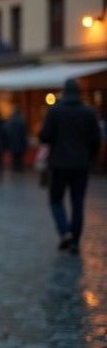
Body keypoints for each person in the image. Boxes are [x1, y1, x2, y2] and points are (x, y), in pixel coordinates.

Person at [38, 78, 102, 254]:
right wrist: (90, 158)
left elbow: (44, 136)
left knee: (56, 200)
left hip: (58, 164)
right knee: (77, 202)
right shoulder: (88, 113)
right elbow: (96, 140)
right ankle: (75, 241)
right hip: (81, 165)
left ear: (64, 92)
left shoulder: (55, 111)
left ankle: (64, 231)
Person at [6, 105, 28, 172]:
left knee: (14, 157)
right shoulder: (22, 120)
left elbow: (7, 131)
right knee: (19, 157)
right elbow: (25, 132)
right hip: (20, 142)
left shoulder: (11, 120)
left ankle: (14, 168)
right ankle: (19, 168)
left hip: (12, 142)